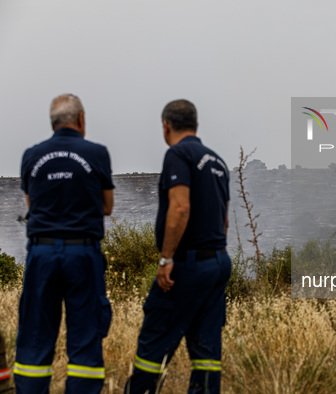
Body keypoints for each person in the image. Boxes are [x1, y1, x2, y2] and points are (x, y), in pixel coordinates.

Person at [125, 99, 231, 394]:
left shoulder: (178, 154)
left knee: (153, 343)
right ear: (196, 126)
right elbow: (223, 221)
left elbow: (180, 208)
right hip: (217, 262)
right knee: (206, 352)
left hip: (187, 264)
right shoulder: (218, 162)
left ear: (166, 126)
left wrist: (166, 259)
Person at [15, 94, 114, 393]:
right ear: (81, 120)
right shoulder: (97, 153)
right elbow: (106, 206)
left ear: (53, 123)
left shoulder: (31, 155)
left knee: (34, 337)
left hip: (42, 253)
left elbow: (32, 202)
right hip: (82, 253)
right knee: (85, 338)